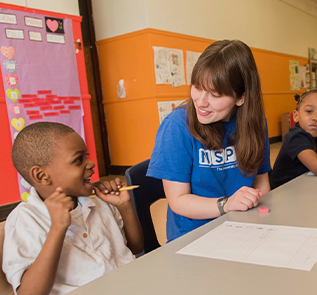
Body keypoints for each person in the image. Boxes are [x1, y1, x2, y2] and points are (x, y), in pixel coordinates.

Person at [147, 40, 271, 242]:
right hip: (194, 236)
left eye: (215, 94)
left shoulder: (255, 123)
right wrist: (226, 205)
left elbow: (261, 182)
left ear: (241, 98)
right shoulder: (177, 126)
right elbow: (177, 201)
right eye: (197, 87)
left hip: (243, 226)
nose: (201, 102)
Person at [3, 122, 143, 295]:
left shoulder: (99, 202)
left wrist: (125, 206)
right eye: (78, 160)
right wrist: (57, 228)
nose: (91, 163)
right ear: (41, 175)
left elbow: (136, 247)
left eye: (87, 156)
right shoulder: (25, 220)